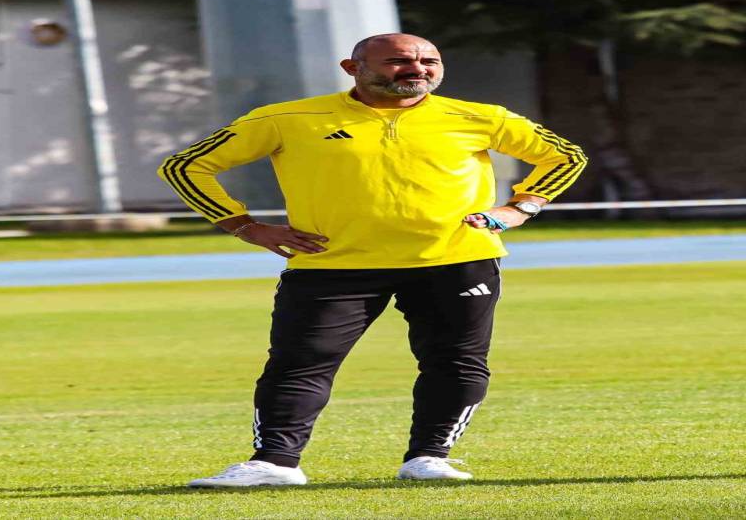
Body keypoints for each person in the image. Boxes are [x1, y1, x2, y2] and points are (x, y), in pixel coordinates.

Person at [157, 33, 587, 487]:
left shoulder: (481, 117)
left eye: (429, 61)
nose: (417, 69)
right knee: (299, 363)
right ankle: (275, 463)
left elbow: (566, 157)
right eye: (398, 61)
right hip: (333, 264)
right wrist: (245, 226)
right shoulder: (286, 118)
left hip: (456, 260)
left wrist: (520, 208)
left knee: (457, 362)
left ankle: (429, 457)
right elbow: (185, 167)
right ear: (352, 68)